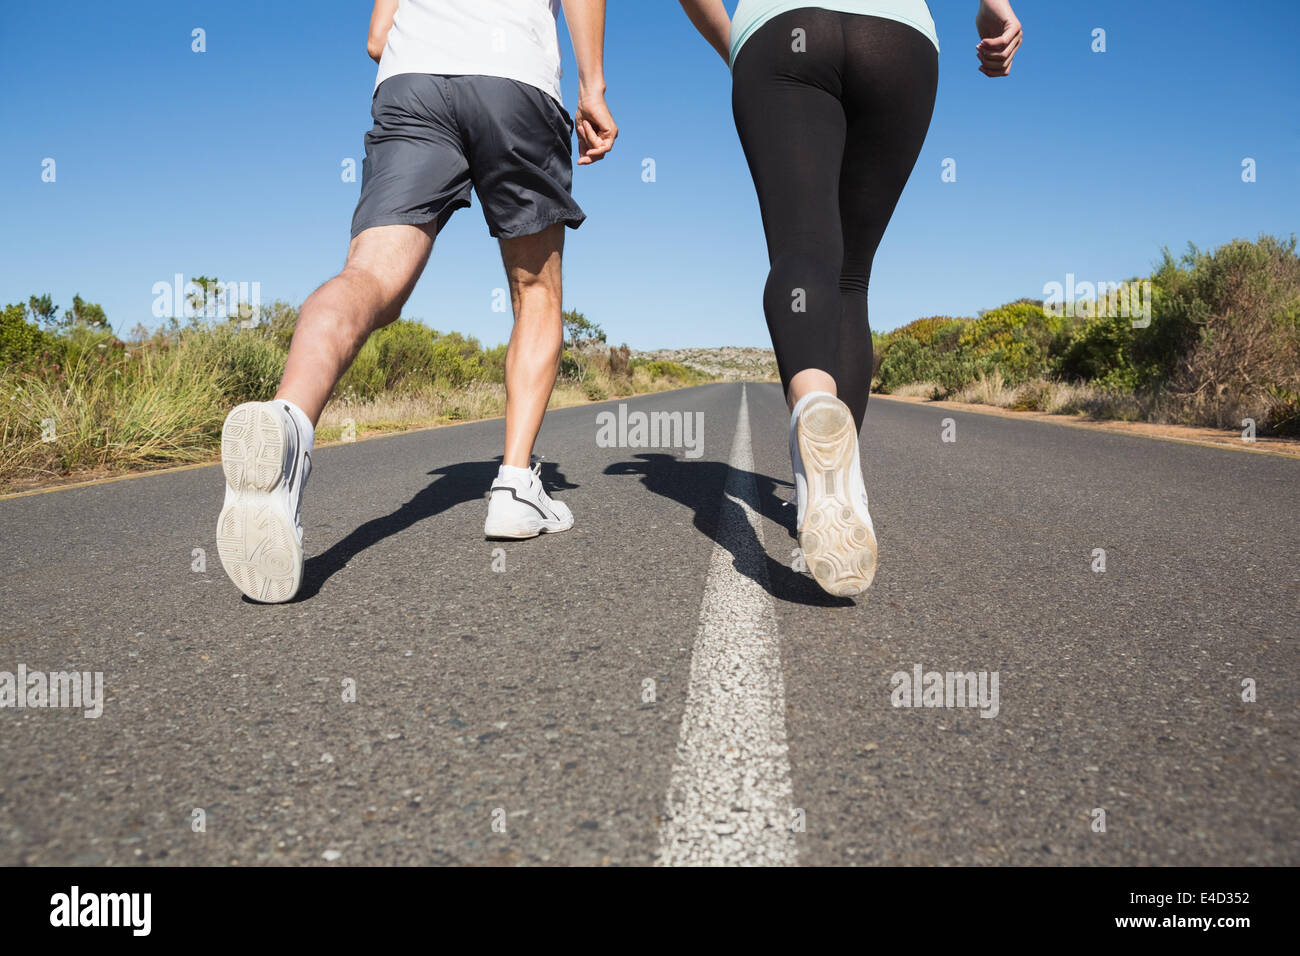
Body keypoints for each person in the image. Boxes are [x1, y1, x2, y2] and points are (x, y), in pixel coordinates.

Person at [216, 0, 618, 603]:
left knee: (369, 277)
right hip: (515, 79)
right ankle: (514, 485)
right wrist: (593, 86)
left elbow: (378, 37)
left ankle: (288, 420)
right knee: (536, 292)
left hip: (414, 81)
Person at [677, 0, 1021, 596]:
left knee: (802, 250)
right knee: (851, 280)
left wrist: (738, 43)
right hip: (897, 38)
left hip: (782, 29)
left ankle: (813, 407)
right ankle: (842, 485)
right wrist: (995, 9)